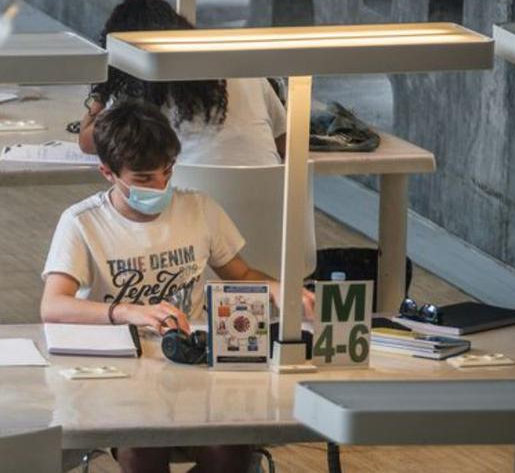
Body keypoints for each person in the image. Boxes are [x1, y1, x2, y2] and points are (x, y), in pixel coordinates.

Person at [41, 101, 314, 472]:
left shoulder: (198, 209)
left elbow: (242, 275)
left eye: (167, 173)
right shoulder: (82, 223)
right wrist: (128, 312)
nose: (160, 186)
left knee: (230, 447)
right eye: (144, 180)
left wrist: (278, 289)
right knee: (144, 448)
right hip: (124, 380)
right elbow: (53, 306)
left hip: (195, 371)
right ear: (108, 173)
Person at [77, 0, 288, 166]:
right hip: (268, 204)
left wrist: (105, 88)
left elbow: (87, 141)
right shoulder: (245, 73)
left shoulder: (138, 90)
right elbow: (286, 143)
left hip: (184, 208)